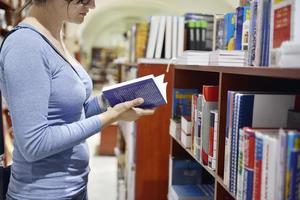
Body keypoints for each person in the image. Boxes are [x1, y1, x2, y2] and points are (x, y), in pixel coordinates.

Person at [0, 0, 155, 199]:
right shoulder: (26, 45)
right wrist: (110, 117)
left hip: (74, 188)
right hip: (43, 194)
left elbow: (72, 116)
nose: (92, 6)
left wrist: (107, 102)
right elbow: (34, 143)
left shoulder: (54, 37)